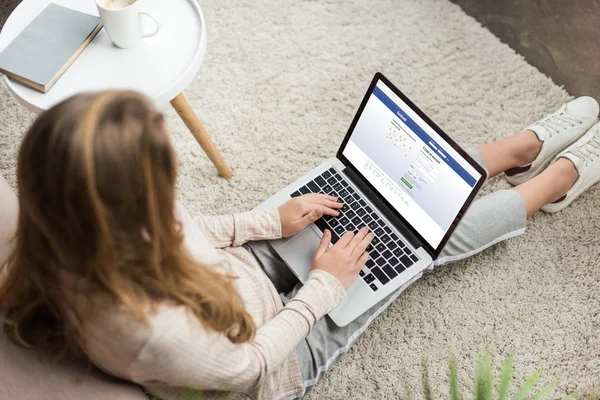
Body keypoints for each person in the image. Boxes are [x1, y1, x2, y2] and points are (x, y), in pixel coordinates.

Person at [0, 91, 598, 400]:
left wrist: (268, 221)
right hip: (281, 350)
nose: (177, 170)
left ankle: (508, 153)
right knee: (416, 242)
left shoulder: (77, 216)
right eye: (167, 168)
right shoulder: (147, 329)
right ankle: (555, 181)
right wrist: (323, 287)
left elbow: (191, 230)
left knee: (368, 188)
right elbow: (246, 368)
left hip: (238, 278)